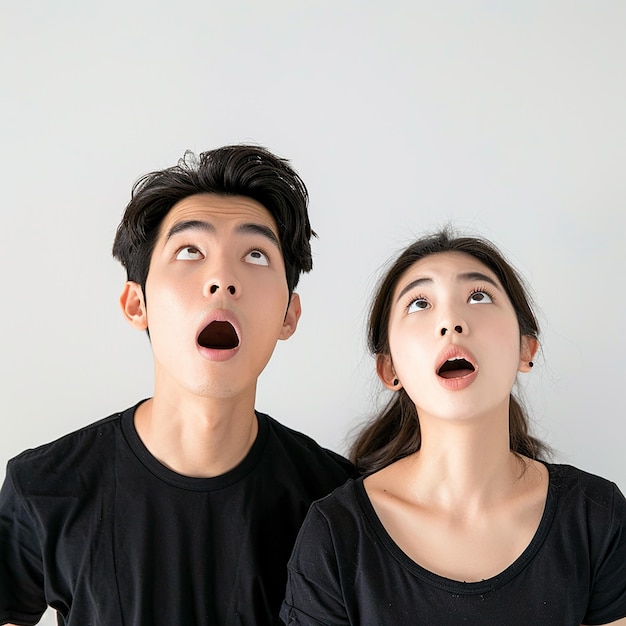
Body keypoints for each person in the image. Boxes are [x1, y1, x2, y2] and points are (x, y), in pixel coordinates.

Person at [0, 145, 355, 626]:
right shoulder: (43, 487)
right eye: (190, 251)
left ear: (289, 314)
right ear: (136, 304)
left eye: (255, 254)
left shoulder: (337, 502)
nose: (222, 280)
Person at [281, 228, 626, 625]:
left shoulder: (596, 517)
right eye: (419, 303)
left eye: (478, 296)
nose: (451, 321)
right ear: (388, 368)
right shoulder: (336, 537)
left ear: (526, 348)